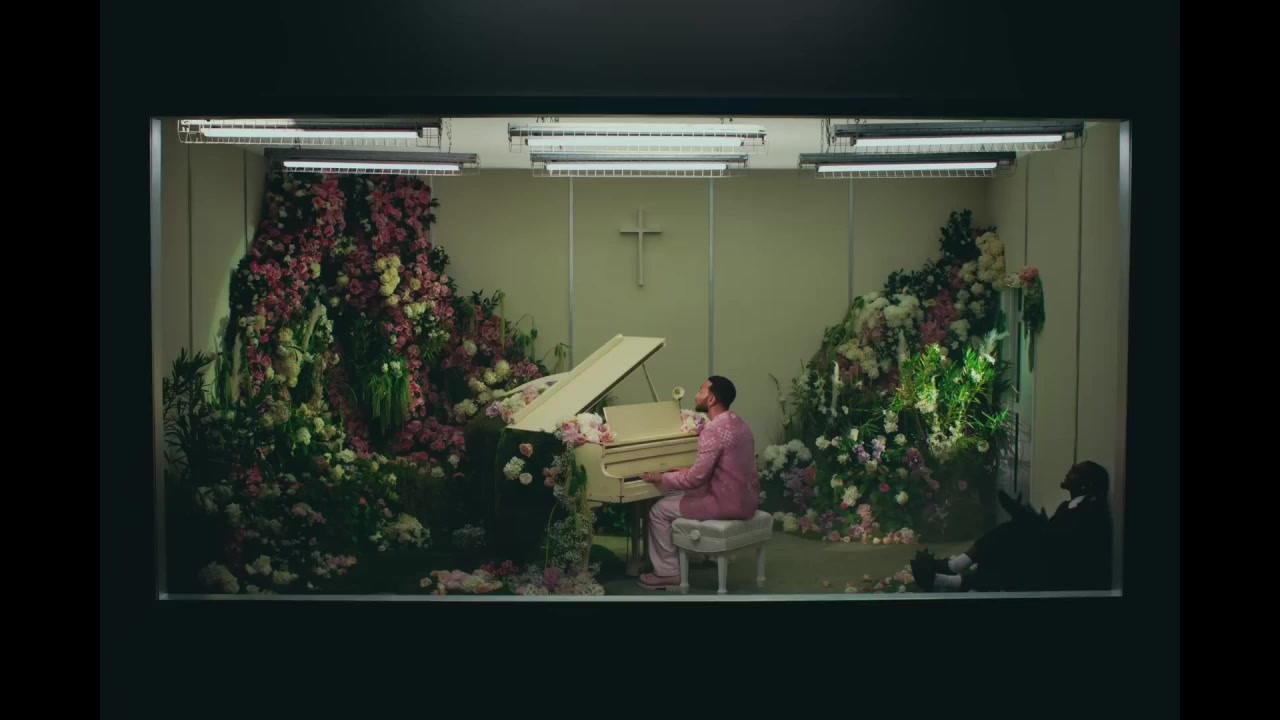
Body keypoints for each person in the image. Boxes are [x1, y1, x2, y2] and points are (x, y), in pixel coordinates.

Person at [635, 376, 760, 590]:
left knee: (658, 510)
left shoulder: (712, 430)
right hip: (746, 499)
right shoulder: (739, 423)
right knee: (673, 495)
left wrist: (660, 477)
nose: (696, 395)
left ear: (711, 400)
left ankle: (668, 573)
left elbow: (695, 479)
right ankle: (696, 553)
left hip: (724, 503)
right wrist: (687, 470)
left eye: (701, 391)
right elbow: (724, 467)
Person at [912, 460, 1113, 593]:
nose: (1069, 472)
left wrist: (1029, 519)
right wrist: (1028, 518)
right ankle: (950, 575)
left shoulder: (1090, 511)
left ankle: (951, 572)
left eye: (1075, 472)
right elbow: (1053, 535)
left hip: (1062, 575)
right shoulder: (1069, 506)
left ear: (1086, 484)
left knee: (1011, 537)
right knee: (1010, 536)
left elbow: (1063, 544)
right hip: (1050, 561)